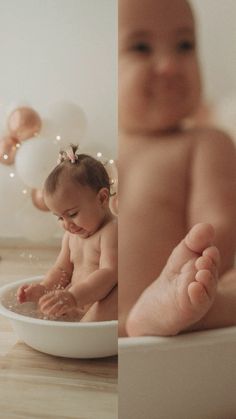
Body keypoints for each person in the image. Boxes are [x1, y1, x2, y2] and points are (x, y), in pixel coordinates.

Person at [119, 0, 236, 336]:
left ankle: (158, 309)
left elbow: (218, 225)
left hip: (172, 313)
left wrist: (194, 271)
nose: (169, 65)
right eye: (141, 47)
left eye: (185, 45)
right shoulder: (101, 153)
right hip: (103, 319)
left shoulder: (204, 143)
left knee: (217, 292)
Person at [17, 145, 117, 322]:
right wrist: (44, 289)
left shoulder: (111, 231)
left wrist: (74, 296)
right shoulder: (72, 236)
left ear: (102, 198)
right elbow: (62, 270)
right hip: (74, 303)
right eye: (60, 218)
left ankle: (85, 331)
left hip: (101, 307)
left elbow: (109, 273)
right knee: (45, 309)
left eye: (72, 214)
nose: (67, 224)